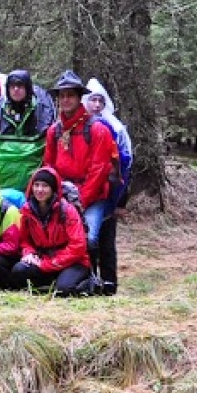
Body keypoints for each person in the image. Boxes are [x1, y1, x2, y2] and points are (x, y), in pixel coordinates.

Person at [43, 70, 119, 257]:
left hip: (92, 196)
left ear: (79, 98)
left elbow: (99, 171)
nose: (66, 100)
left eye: (71, 95)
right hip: (62, 193)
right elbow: (49, 166)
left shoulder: (97, 130)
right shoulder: (54, 131)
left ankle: (90, 280)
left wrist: (80, 202)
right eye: (62, 96)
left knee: (88, 238)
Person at [0, 166, 91, 294]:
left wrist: (51, 263)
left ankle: (89, 284)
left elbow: (78, 246)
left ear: (53, 189)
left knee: (64, 289)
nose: (40, 190)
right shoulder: (27, 211)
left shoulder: (67, 211)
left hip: (72, 262)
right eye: (36, 185)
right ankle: (50, 284)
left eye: (45, 186)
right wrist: (29, 253)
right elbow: (24, 240)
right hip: (43, 259)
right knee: (19, 271)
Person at [84, 77, 132, 295]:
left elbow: (125, 163)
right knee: (88, 236)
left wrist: (120, 199)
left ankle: (109, 282)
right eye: (92, 100)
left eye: (100, 101)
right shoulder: (78, 126)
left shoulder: (115, 127)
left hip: (109, 193)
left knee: (106, 238)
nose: (96, 105)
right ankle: (90, 278)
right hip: (86, 192)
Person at [0, 69, 55, 138]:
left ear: (27, 88)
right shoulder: (0, 107)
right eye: (12, 86)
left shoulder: (40, 108)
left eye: (20, 86)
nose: (16, 89)